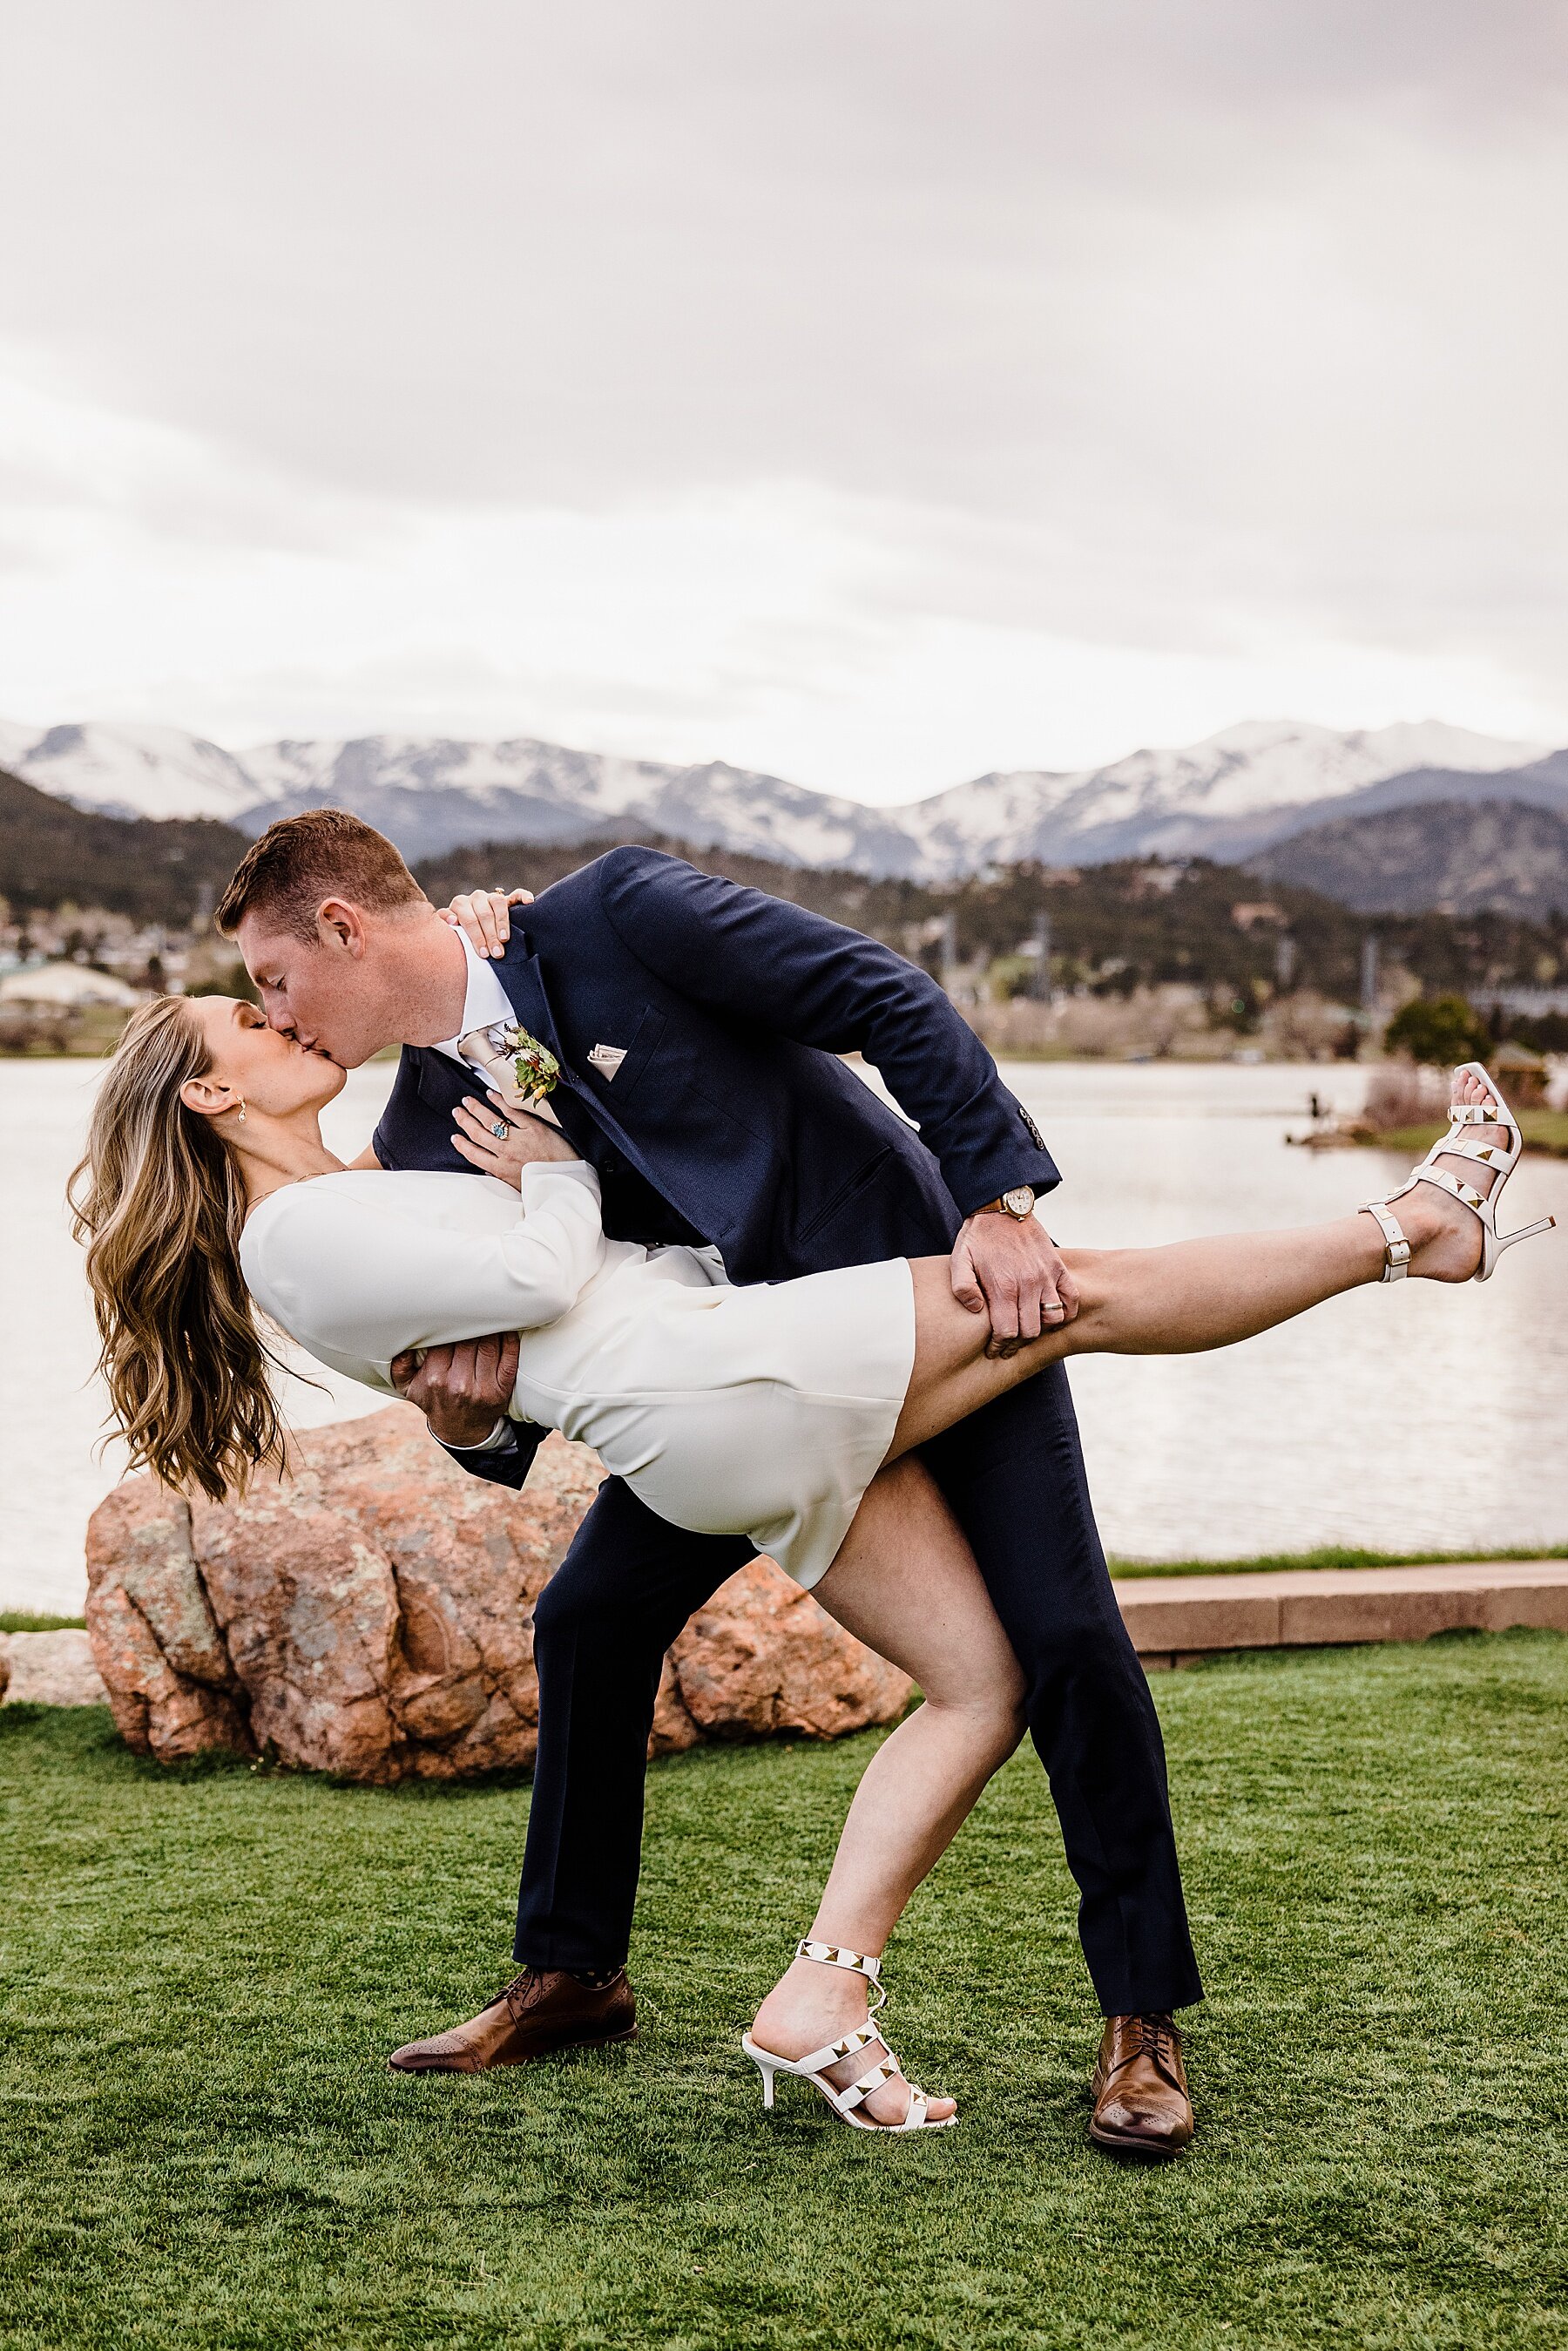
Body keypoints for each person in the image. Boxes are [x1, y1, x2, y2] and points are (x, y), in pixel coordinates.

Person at [71, 980, 1546, 2145]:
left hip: (723, 1407)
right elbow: (541, 1274)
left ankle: (826, 1991)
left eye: (273, 986)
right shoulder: (301, 1229)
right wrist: (554, 1169)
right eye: (250, 1013)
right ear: (212, 1087)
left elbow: (506, 1298)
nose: (277, 1016)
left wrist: (518, 1204)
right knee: (1075, 1293)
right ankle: (1416, 1229)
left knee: (986, 1680)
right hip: (729, 1378)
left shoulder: (376, 1155)